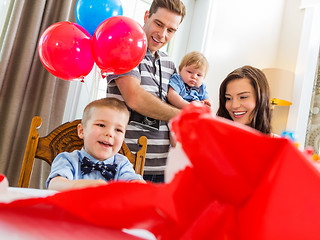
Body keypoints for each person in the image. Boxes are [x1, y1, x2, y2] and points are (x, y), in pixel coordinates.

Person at [106, 0, 186, 183]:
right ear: (146, 16)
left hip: (163, 170)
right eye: (159, 24)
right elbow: (135, 98)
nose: (162, 35)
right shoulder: (125, 48)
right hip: (125, 167)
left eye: (171, 30)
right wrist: (183, 115)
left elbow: (179, 99)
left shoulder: (170, 64)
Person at [46, 98, 145, 191]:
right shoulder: (68, 159)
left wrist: (137, 184)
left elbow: (133, 182)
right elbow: (54, 185)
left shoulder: (122, 163)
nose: (110, 133)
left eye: (118, 130)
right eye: (101, 125)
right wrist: (79, 185)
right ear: (82, 131)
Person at [216, 65, 272, 134]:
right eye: (228, 98)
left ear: (261, 99)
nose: (234, 106)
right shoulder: (213, 137)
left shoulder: (276, 143)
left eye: (243, 97)